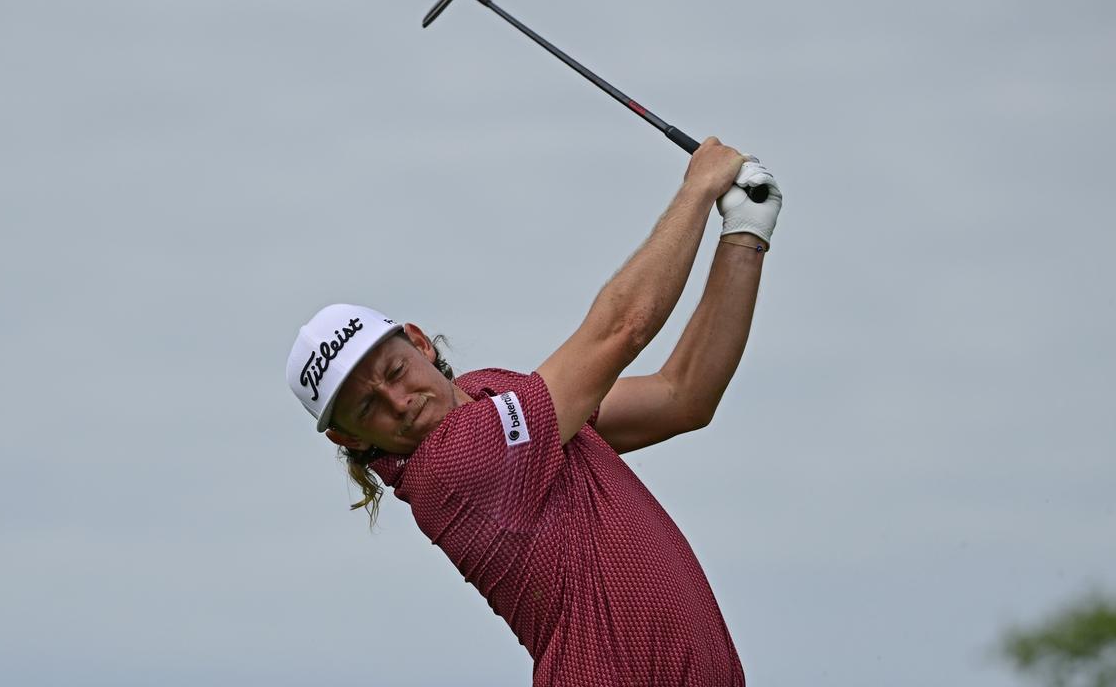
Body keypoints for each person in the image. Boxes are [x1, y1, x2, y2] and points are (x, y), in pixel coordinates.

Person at [285, 137, 782, 686]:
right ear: (349, 440)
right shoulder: (456, 464)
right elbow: (621, 329)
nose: (399, 403)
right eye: (367, 407)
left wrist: (744, 232)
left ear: (421, 343)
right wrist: (698, 188)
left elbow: (681, 396)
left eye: (395, 372)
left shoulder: (494, 394)